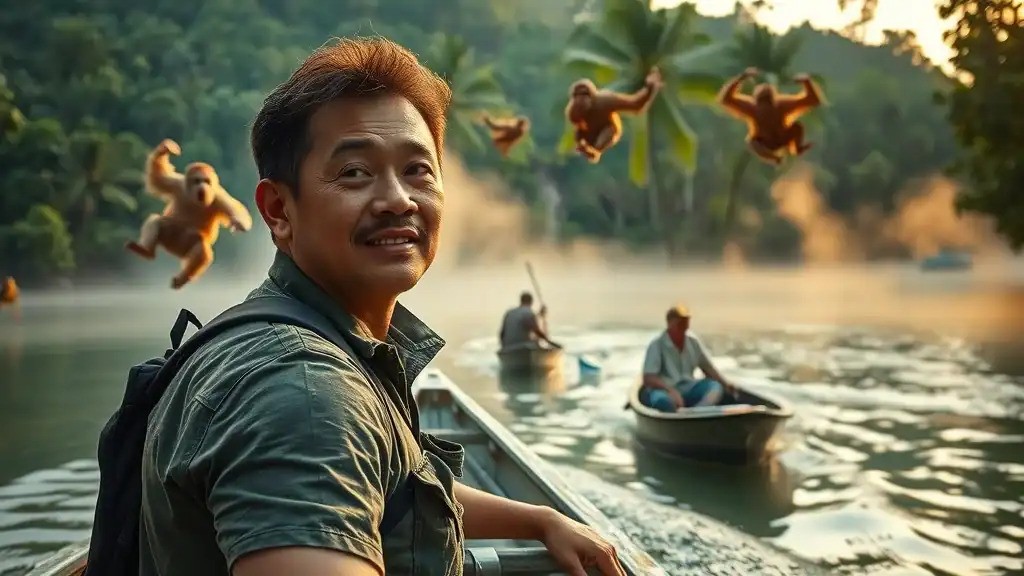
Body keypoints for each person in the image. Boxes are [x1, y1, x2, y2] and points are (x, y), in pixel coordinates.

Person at [139, 37, 624, 576]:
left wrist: (537, 520)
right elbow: (319, 442)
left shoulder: (304, 335)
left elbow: (391, 482)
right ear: (279, 210)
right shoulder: (303, 391)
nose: (398, 199)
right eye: (354, 173)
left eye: (418, 170)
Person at [640, 304, 736, 412]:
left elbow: (708, 369)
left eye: (686, 320)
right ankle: (675, 419)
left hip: (689, 388)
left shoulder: (693, 342)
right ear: (669, 322)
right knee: (662, 401)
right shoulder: (657, 344)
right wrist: (671, 391)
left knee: (715, 387)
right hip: (664, 390)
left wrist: (726, 384)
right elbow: (648, 378)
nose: (684, 324)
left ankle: (695, 414)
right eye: (679, 321)